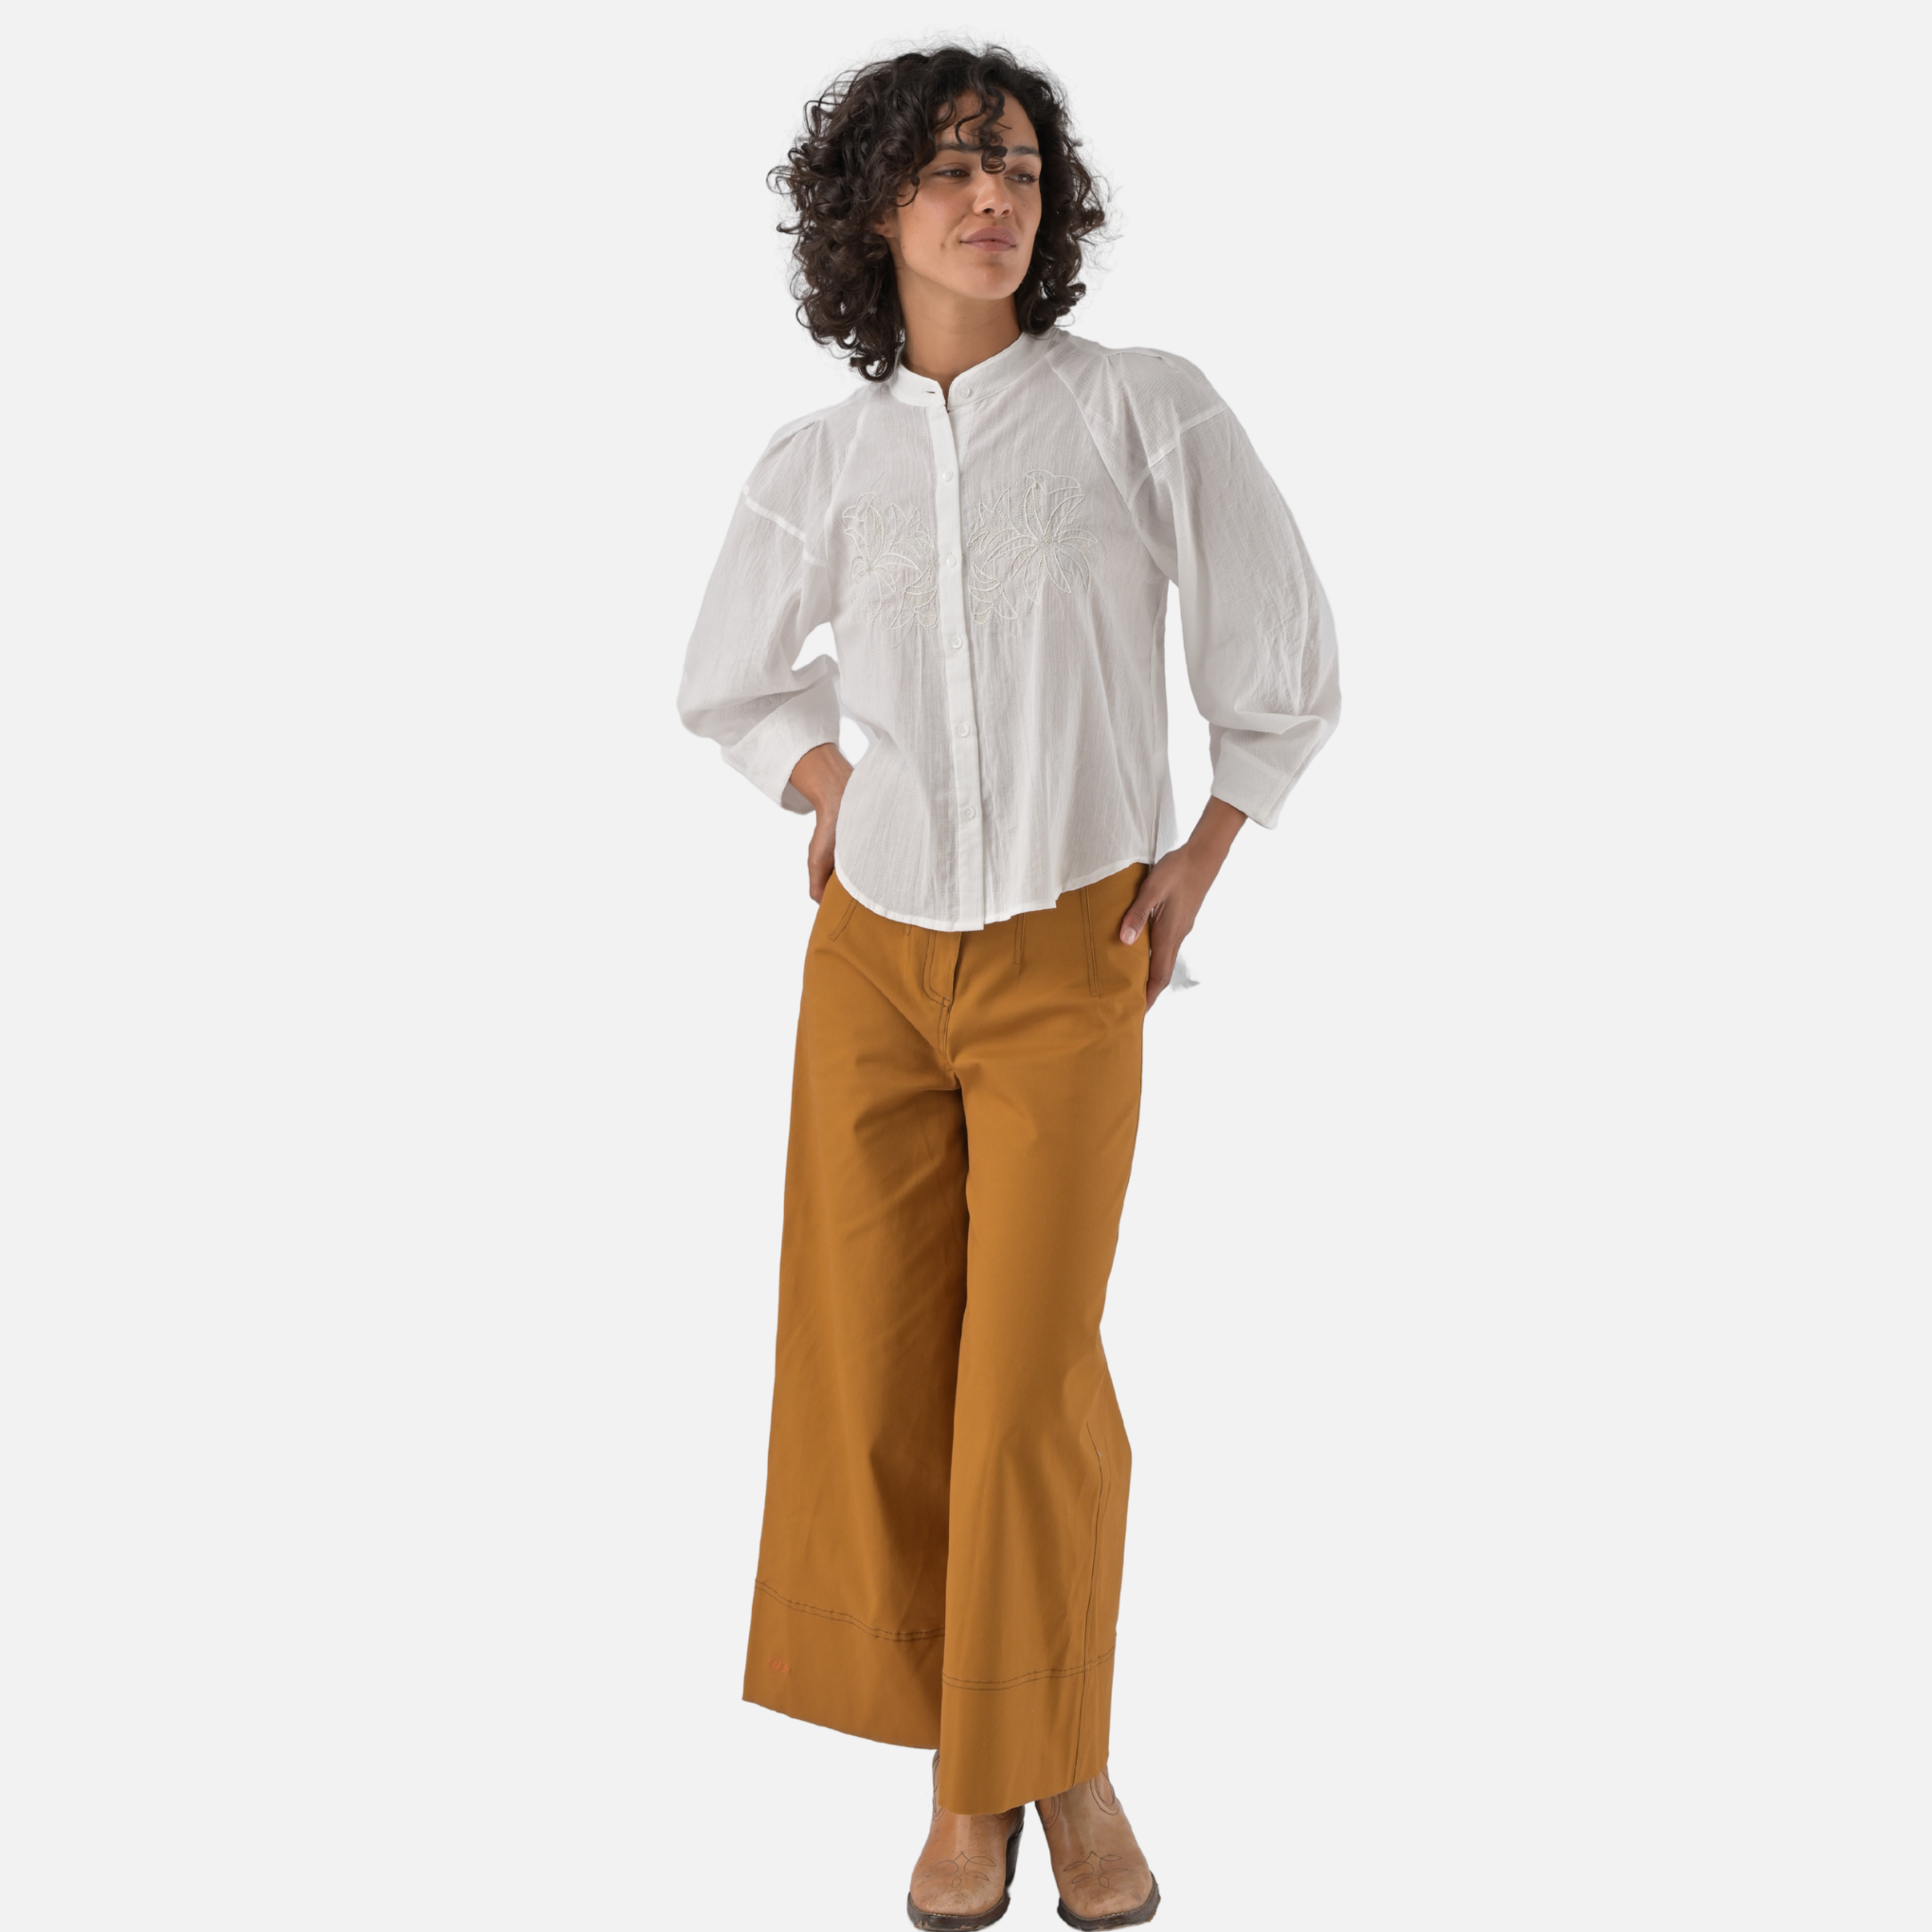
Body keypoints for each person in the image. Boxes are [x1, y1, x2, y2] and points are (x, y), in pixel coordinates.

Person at [678, 44, 1339, 1930]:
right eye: (956, 168)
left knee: (1027, 1379)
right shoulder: (823, 460)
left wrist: (1204, 853)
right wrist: (826, 783)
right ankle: (1002, 1760)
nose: (997, 199)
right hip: (871, 962)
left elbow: (1279, 653)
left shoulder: (1140, 408)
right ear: (875, 207)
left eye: (1024, 171)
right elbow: (730, 680)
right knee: (880, 1371)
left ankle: (1029, 1778)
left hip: (1069, 953)